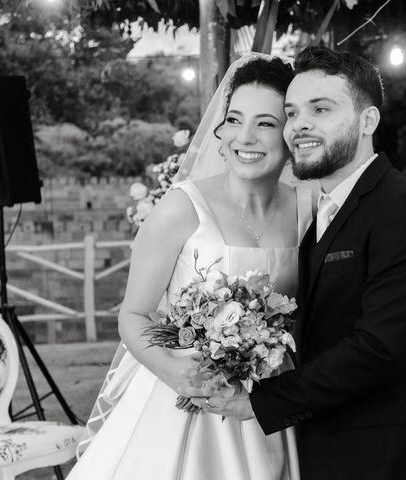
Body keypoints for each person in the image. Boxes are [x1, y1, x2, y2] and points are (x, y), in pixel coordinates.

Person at [191, 46, 406, 480]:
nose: (300, 126)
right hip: (322, 451)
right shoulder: (318, 213)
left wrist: (263, 400)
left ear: (368, 121)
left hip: (390, 458)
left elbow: (379, 348)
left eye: (321, 109)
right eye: (293, 112)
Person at [66, 55, 313, 480]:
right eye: (234, 120)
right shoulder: (182, 207)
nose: (245, 137)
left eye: (266, 123)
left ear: (290, 133)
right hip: (186, 404)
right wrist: (177, 374)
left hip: (272, 405)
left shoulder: (308, 210)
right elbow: (133, 315)